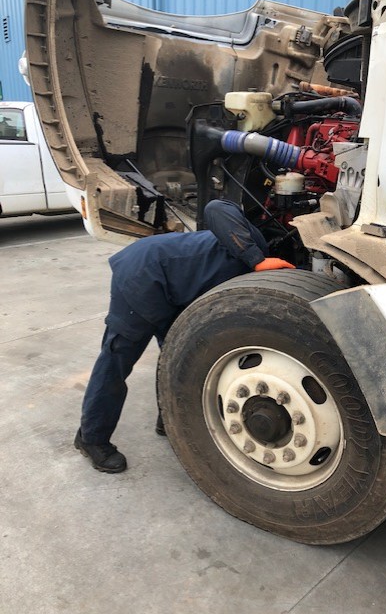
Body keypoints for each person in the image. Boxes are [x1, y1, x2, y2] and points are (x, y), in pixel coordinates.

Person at [74, 199, 295, 473]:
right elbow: (215, 208)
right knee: (116, 361)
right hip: (143, 275)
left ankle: (165, 418)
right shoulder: (252, 241)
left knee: (176, 357)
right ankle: (91, 438)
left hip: (177, 293)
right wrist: (256, 260)